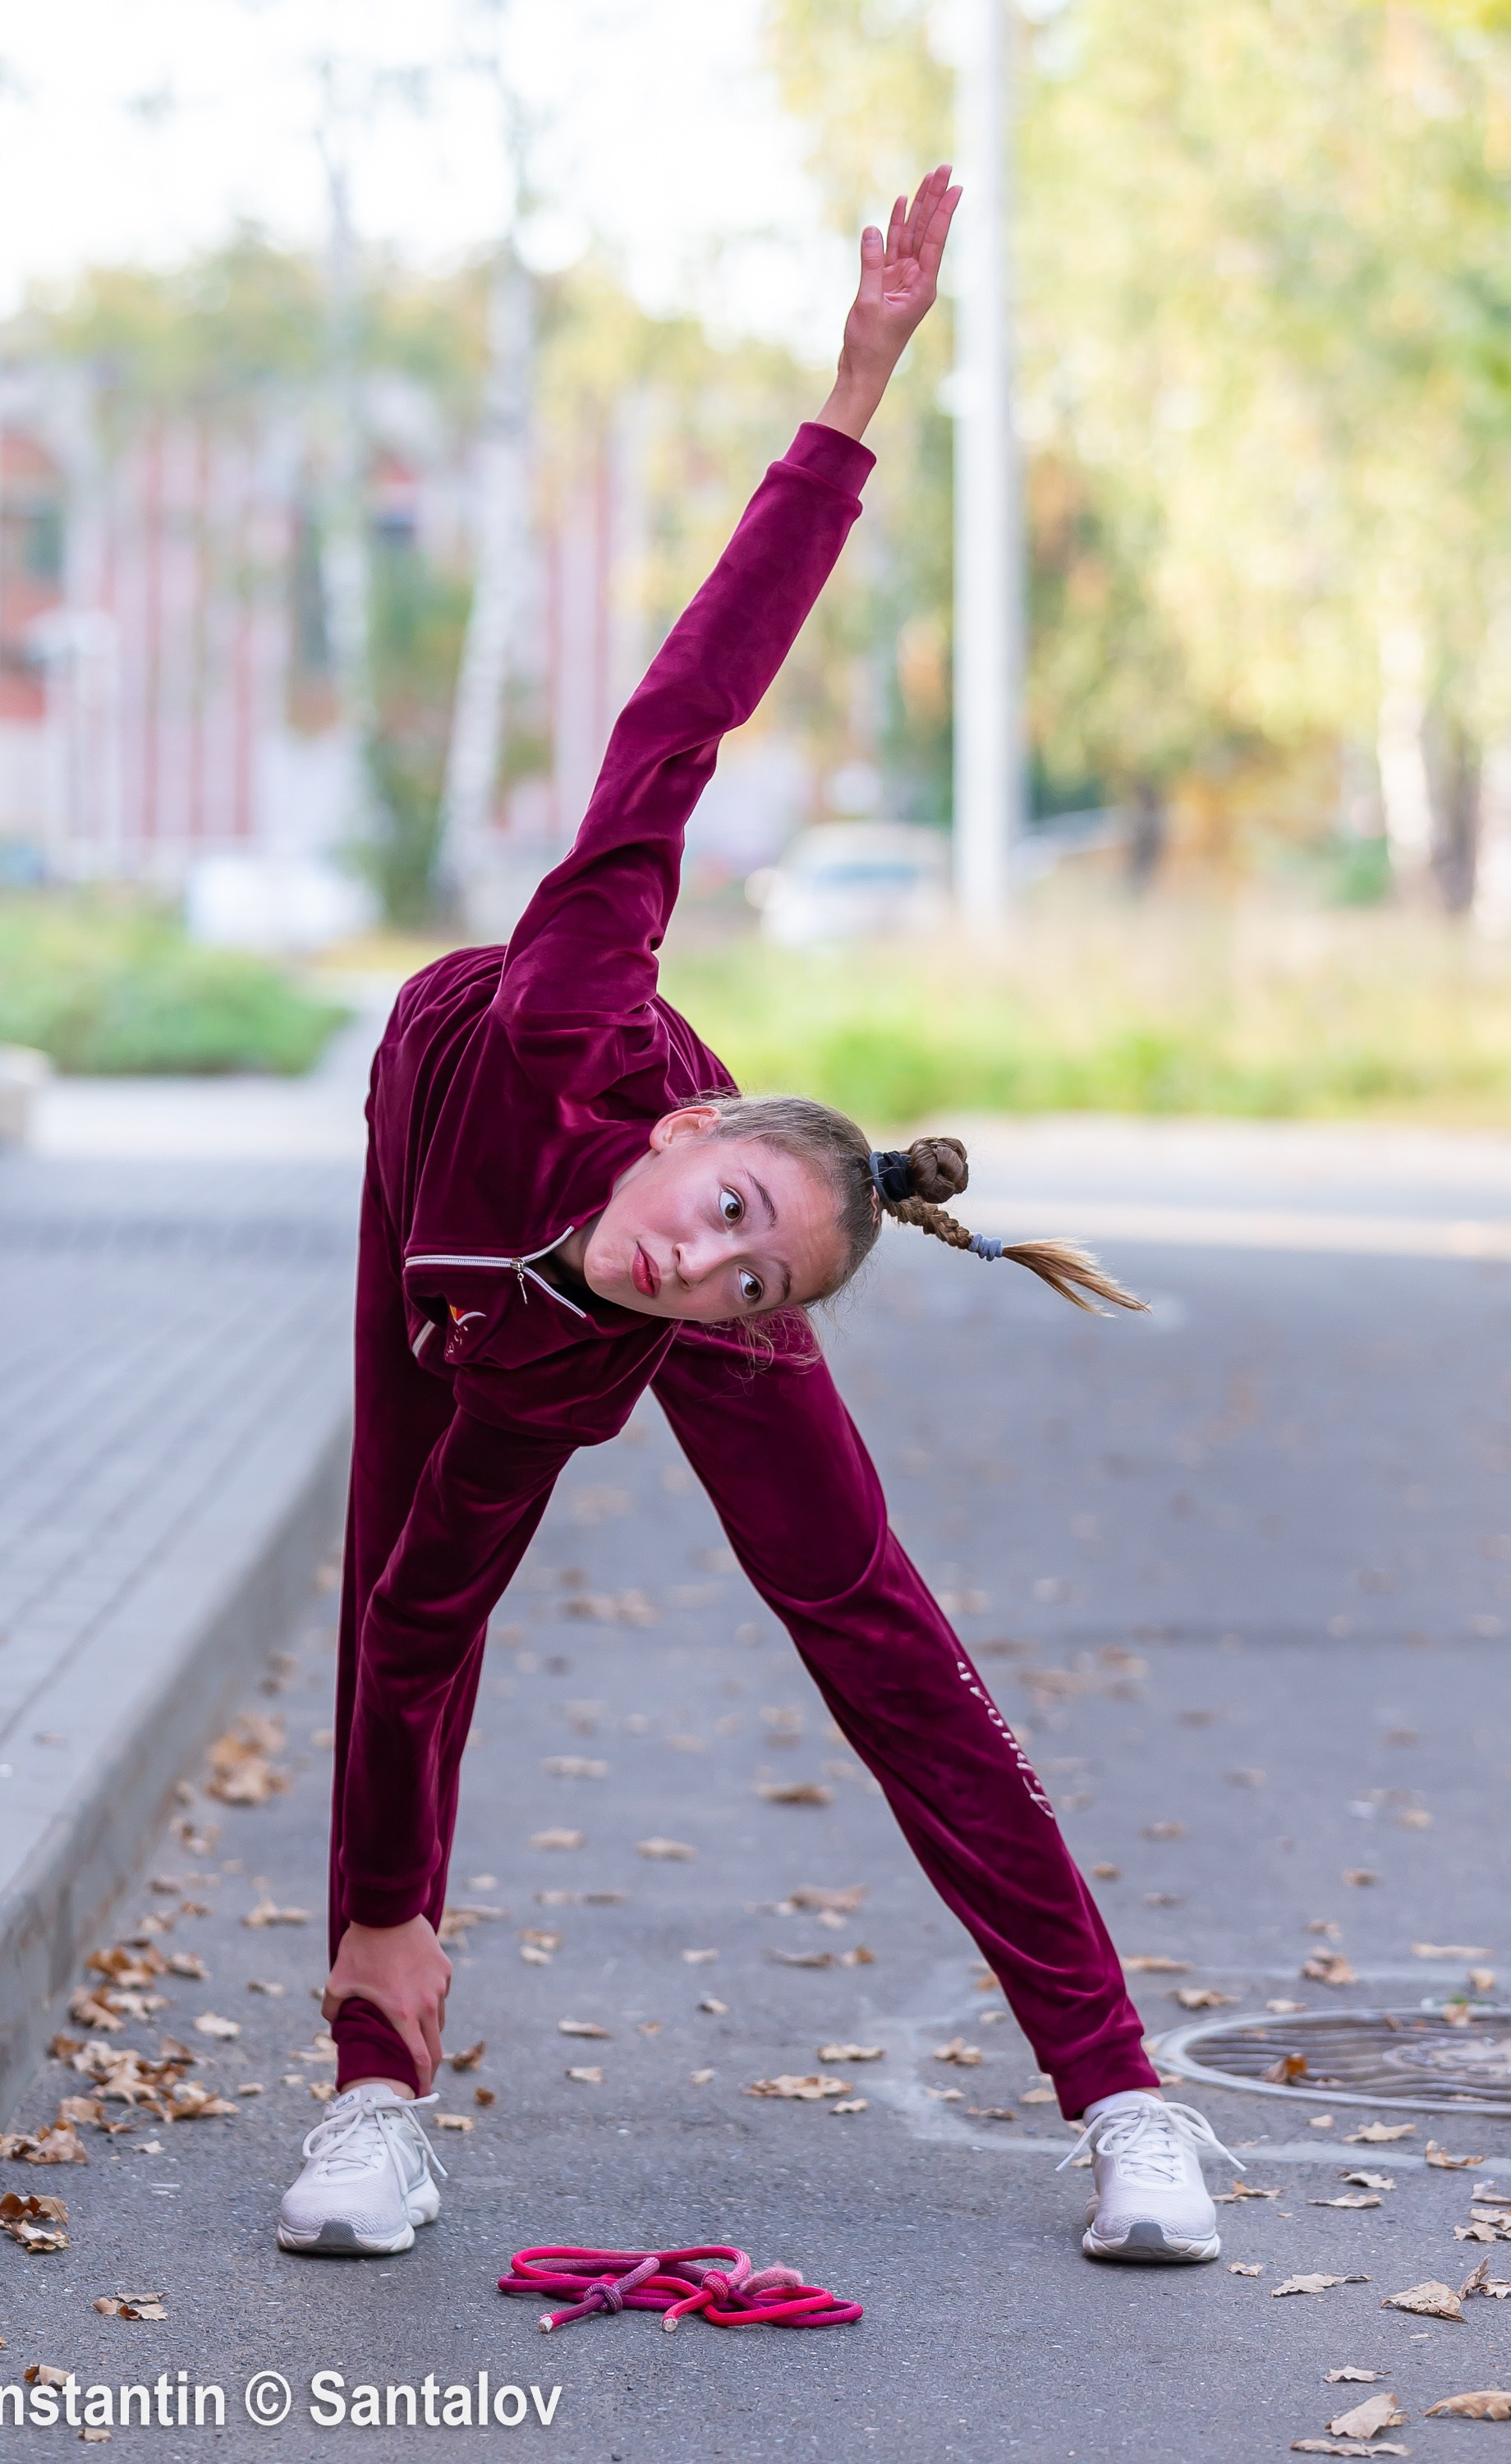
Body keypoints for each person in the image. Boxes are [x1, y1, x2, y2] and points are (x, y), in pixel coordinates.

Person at [277, 167, 1238, 2270]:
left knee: (867, 1618)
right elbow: (686, 712)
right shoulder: (568, 1016)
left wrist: (716, 1286)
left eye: (746, 1280)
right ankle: (370, 2093)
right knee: (399, 1584)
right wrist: (855, 389)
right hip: (445, 1145)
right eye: (721, 1217)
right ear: (682, 1129)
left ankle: (1128, 2100)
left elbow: (711, 1288)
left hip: (552, 1306)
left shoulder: (680, 1305)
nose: (702, 1262)